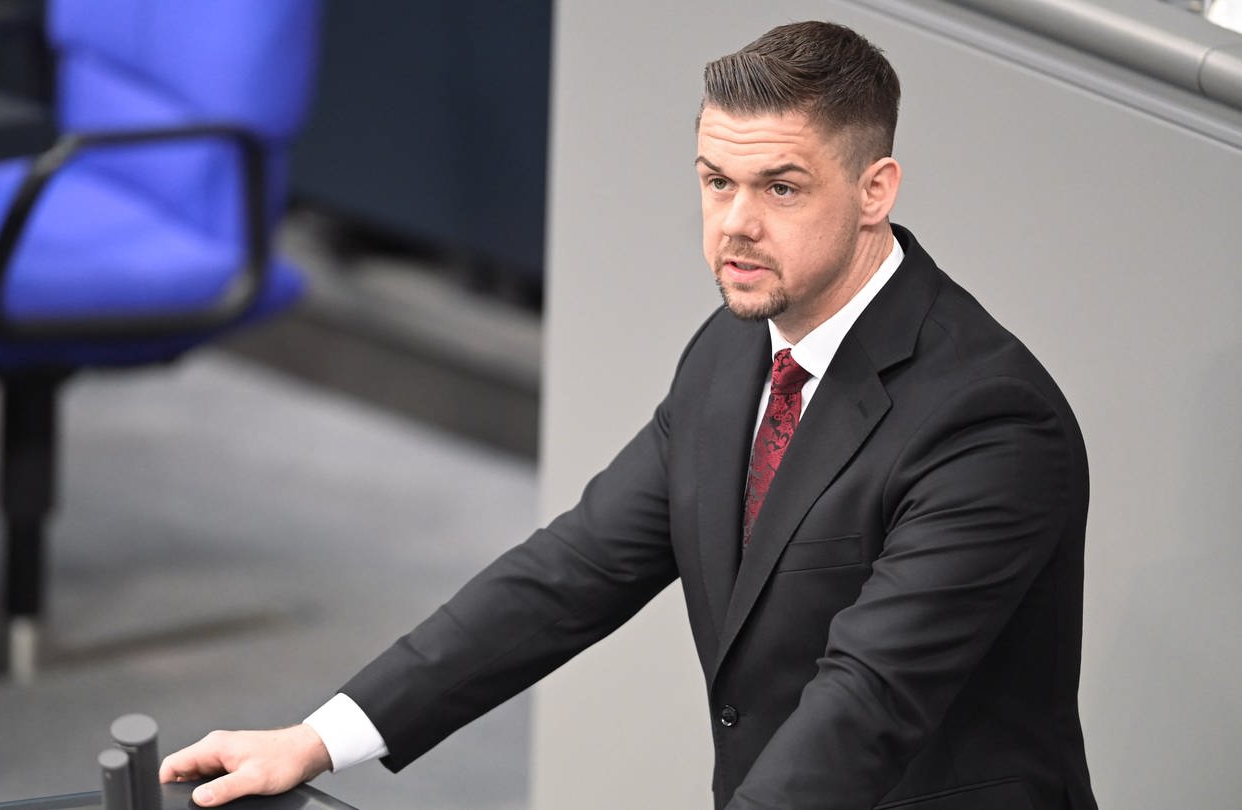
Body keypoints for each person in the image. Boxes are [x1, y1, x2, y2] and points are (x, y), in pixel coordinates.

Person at [160, 21, 1098, 809]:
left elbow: (867, 703)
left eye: (780, 187)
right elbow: (572, 571)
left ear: (874, 191)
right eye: (715, 181)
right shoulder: (736, 350)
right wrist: (319, 738)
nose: (735, 222)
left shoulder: (989, 424)